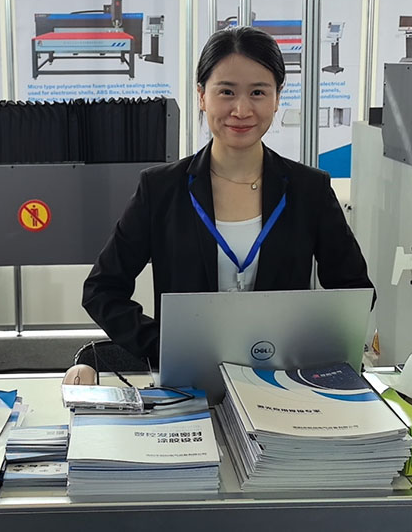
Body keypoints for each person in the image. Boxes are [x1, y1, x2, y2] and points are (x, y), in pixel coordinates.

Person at [81, 26, 374, 366]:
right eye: (226, 92)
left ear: (277, 97)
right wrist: (162, 345)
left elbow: (355, 291)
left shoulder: (309, 190)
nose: (241, 109)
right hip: (190, 380)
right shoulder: (161, 189)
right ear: (202, 96)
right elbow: (102, 290)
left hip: (282, 379)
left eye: (258, 92)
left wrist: (305, 345)